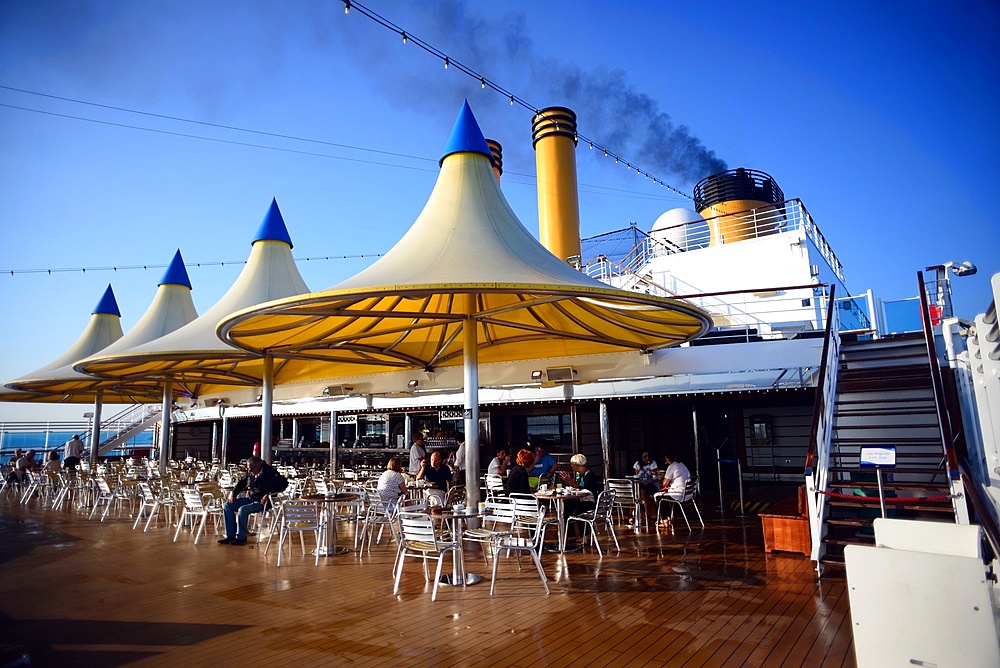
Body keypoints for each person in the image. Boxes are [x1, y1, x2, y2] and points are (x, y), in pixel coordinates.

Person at [219, 456, 288, 546]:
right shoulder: (250, 473)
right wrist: (233, 494)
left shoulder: (270, 473)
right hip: (251, 498)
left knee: (243, 510)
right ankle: (231, 535)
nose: (249, 470)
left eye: (251, 468)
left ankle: (241, 537)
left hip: (263, 502)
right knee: (227, 506)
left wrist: (269, 494)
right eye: (248, 468)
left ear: (258, 466)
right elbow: (241, 483)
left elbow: (284, 484)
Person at [653, 453, 692, 526]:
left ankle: (664, 520)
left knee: (658, 496)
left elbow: (664, 484)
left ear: (667, 459)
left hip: (679, 493)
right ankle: (668, 518)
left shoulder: (672, 467)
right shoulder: (682, 465)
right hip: (688, 493)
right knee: (664, 495)